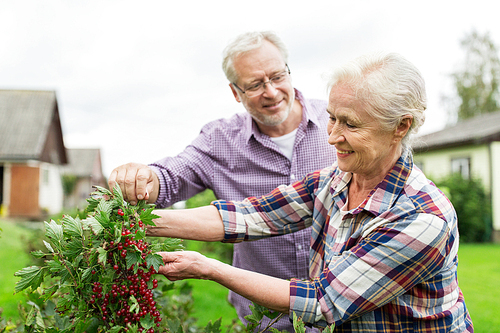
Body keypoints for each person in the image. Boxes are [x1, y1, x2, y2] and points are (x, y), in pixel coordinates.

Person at [147, 52, 474, 332]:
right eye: (331, 118)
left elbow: (322, 301)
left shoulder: (421, 218)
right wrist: (140, 221)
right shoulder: (336, 181)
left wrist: (209, 268)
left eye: (350, 124)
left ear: (400, 127)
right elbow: (254, 216)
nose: (332, 136)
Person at [108, 31, 336, 331]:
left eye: (278, 76)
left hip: (344, 314)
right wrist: (141, 179)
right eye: (255, 84)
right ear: (235, 92)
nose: (271, 91)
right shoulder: (220, 142)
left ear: (289, 70)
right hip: (265, 321)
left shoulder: (338, 123)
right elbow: (170, 177)